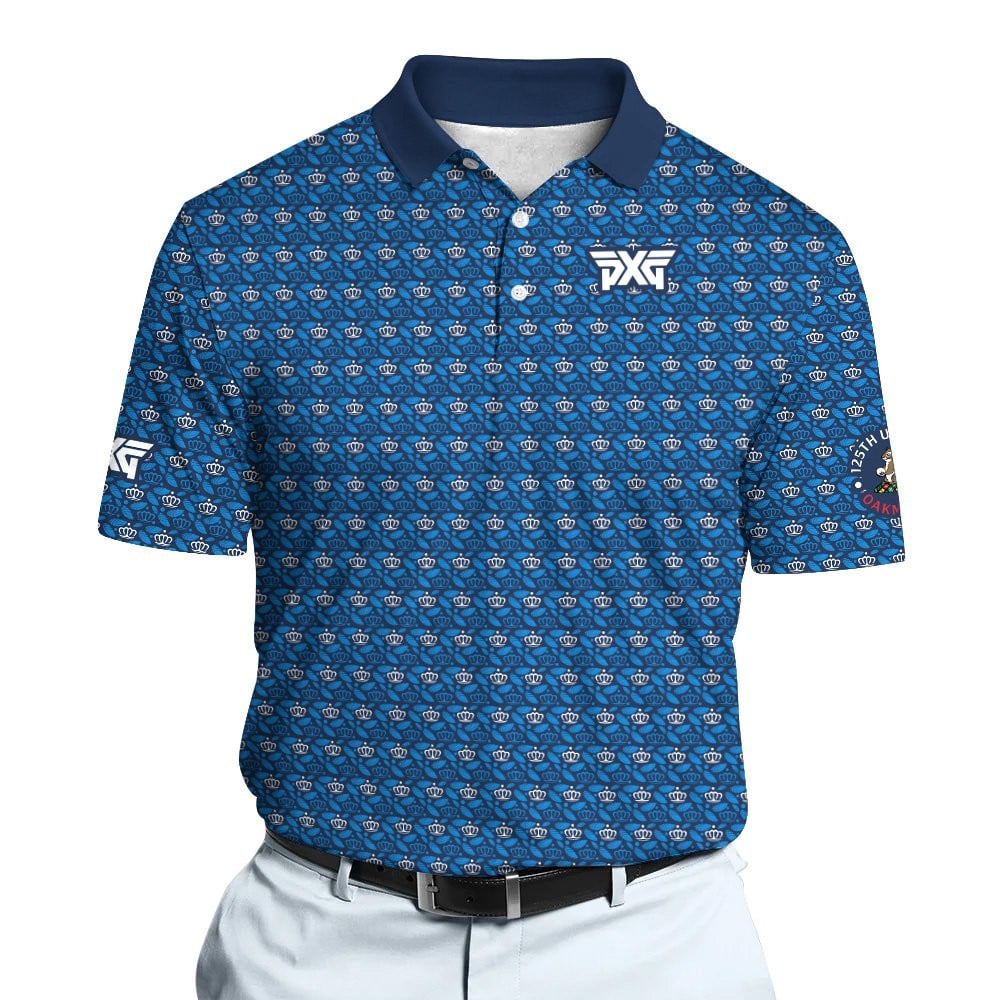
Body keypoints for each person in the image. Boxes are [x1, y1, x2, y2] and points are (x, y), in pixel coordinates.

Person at [96, 53, 905, 1000]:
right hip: (322, 938)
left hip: (657, 942)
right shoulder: (242, 240)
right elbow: (156, 561)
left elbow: (833, 569)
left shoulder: (780, 257)